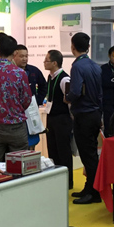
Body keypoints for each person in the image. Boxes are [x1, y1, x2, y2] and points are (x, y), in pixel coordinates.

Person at [0, 34, 33, 162]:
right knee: (19, 167)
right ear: (14, 52)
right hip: (16, 127)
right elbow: (27, 100)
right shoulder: (20, 73)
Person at [66, 32, 103, 205]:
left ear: (72, 47)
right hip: (95, 113)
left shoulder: (77, 67)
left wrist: (67, 98)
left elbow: (74, 91)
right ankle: (90, 187)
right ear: (88, 47)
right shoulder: (95, 66)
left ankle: (94, 192)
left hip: (83, 114)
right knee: (91, 153)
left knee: (88, 155)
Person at [43, 49, 73, 190]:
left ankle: (68, 181)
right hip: (51, 118)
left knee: (63, 151)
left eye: (46, 60)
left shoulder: (64, 79)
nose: (44, 62)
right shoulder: (50, 77)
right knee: (52, 150)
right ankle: (56, 179)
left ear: (54, 63)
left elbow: (70, 103)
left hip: (62, 119)